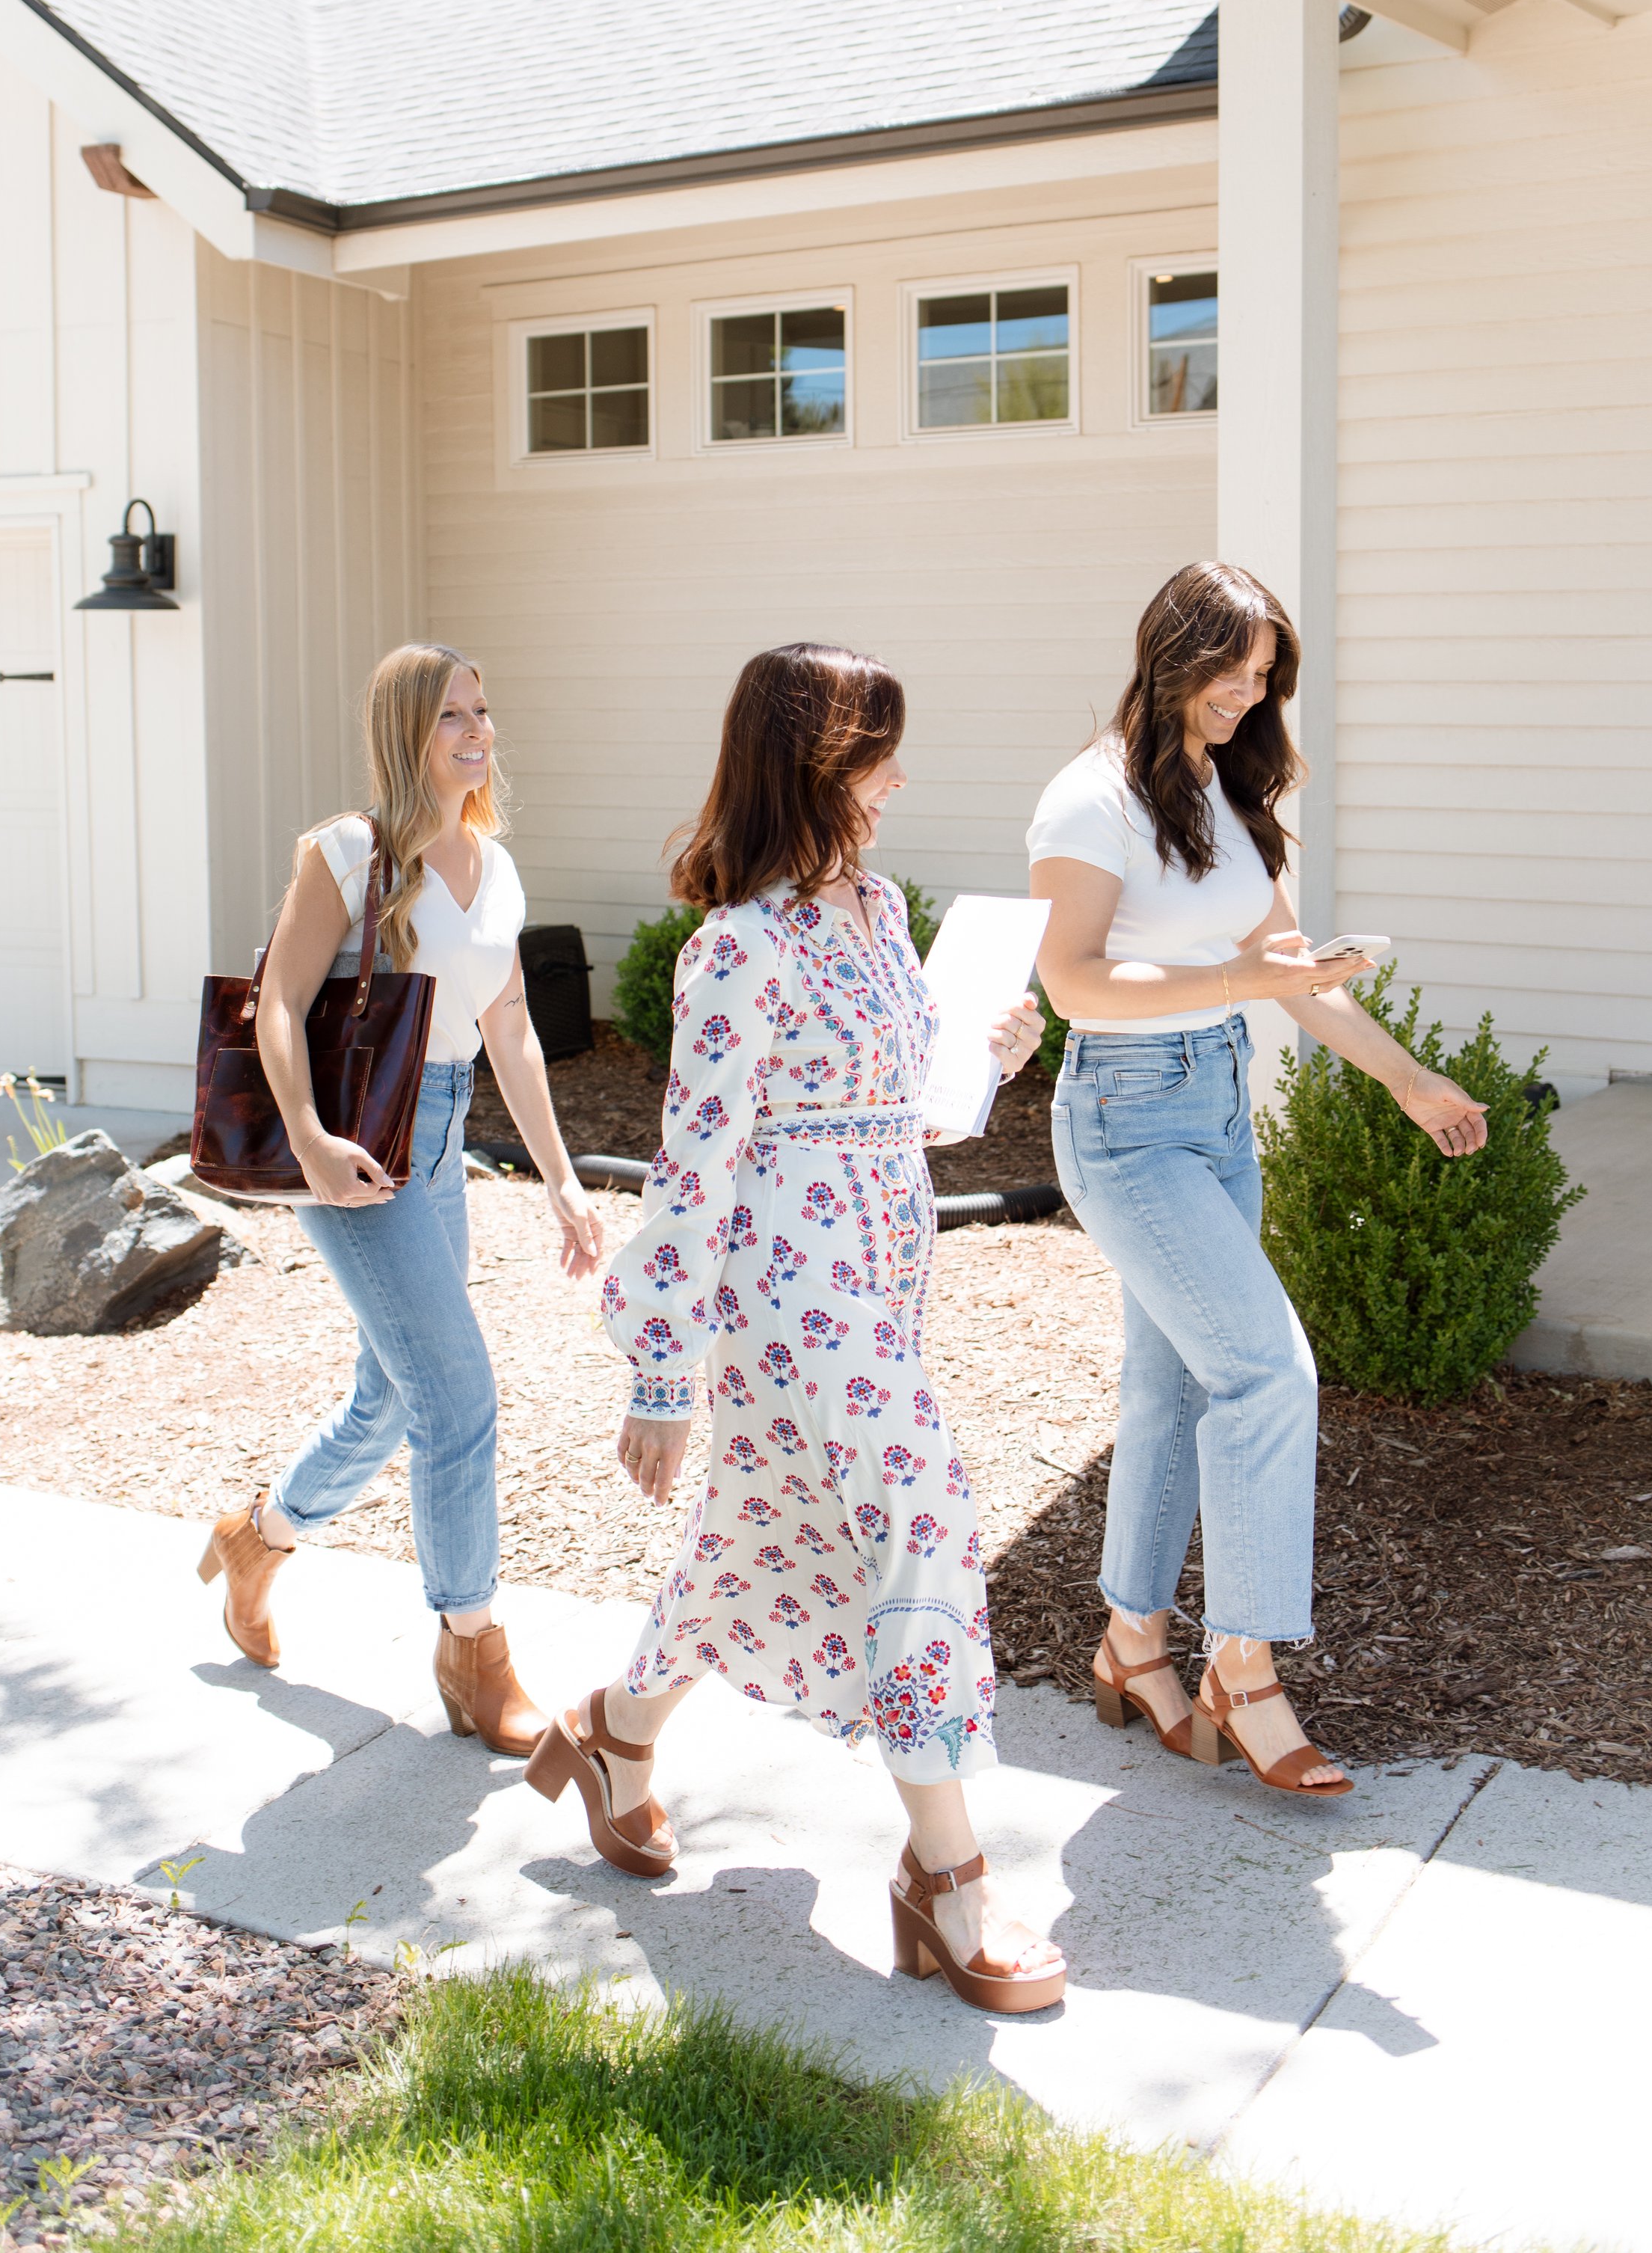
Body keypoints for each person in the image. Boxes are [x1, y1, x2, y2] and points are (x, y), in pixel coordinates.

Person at [525, 643, 1065, 2014]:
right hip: (788, 1289)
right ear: (811, 770)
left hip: (883, 1270)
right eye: (872, 755)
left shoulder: (882, 915)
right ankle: (946, 1874)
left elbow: (906, 1111)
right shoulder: (734, 950)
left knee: (757, 1538)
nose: (894, 782)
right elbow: (696, 1165)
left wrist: (986, 1059)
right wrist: (662, 1369)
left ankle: (614, 1731)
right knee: (920, 1511)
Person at [1030, 563, 1487, 1797]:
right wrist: (1245, 984)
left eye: (1266, 672)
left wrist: (1407, 1080)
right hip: (1128, 1117)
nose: (1252, 691)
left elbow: (1287, 966)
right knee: (1267, 1369)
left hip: (1218, 1109)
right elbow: (1070, 981)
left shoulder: (1222, 792)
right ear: (1172, 651)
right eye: (1234, 667)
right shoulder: (1094, 799)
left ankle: (1132, 1639)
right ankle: (1246, 1662)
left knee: (1170, 1384)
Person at [197, 643, 605, 1754]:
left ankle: (258, 1539)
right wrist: (311, 1139)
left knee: (390, 1396)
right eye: (449, 718)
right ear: (403, 733)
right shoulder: (350, 852)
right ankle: (475, 1650)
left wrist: (561, 1178)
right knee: (457, 1390)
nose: (476, 733)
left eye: (482, 710)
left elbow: (510, 1026)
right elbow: (277, 1002)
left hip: (440, 1126)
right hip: (358, 1146)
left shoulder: (496, 865)